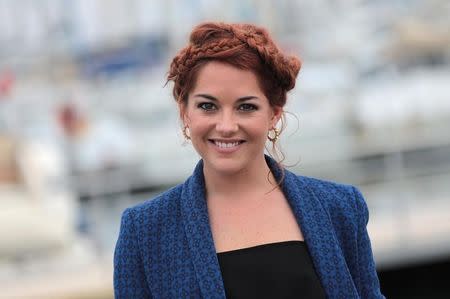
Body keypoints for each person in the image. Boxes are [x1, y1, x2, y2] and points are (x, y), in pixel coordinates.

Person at [114, 22, 385, 299]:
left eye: (246, 107)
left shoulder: (340, 208)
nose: (227, 125)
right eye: (208, 106)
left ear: (274, 114)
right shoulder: (145, 231)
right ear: (185, 112)